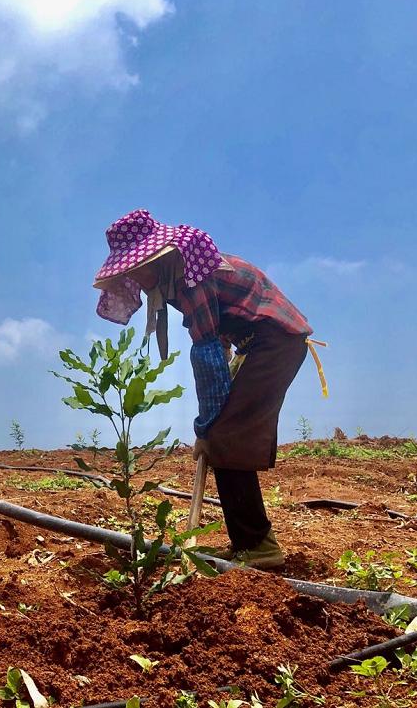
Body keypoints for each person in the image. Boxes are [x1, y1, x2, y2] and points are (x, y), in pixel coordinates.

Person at [93, 209, 316, 569]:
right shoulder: (181, 276)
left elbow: (207, 352)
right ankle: (249, 542)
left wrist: (206, 427)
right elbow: (219, 343)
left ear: (158, 258)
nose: (134, 275)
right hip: (259, 343)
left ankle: (259, 547)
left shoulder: (189, 279)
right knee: (225, 436)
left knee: (225, 437)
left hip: (275, 342)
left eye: (136, 267)